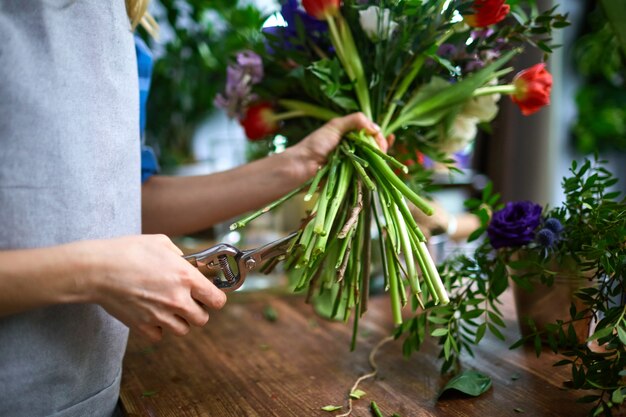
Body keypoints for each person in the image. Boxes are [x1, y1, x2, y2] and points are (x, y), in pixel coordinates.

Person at [0, 1, 387, 416]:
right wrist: (93, 272)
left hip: (92, 394)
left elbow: (124, 201)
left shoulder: (126, 28)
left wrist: (295, 165)